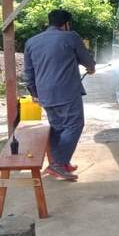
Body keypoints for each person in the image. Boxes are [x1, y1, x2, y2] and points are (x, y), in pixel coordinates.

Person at [24, 9, 96, 181]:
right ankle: (57, 164)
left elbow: (28, 72)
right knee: (74, 125)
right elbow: (86, 59)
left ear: (49, 22)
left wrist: (34, 92)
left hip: (45, 94)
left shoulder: (31, 42)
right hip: (66, 92)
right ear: (66, 24)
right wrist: (91, 68)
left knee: (57, 128)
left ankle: (62, 163)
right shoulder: (71, 37)